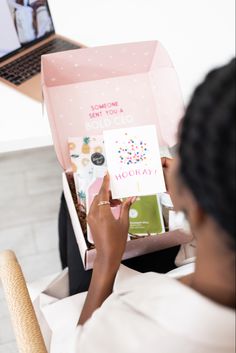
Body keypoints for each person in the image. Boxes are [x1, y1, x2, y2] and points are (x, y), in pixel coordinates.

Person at [63, 59, 235, 352]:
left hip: (112, 297)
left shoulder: (129, 329)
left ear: (188, 196)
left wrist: (105, 260)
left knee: (69, 209)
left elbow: (84, 343)